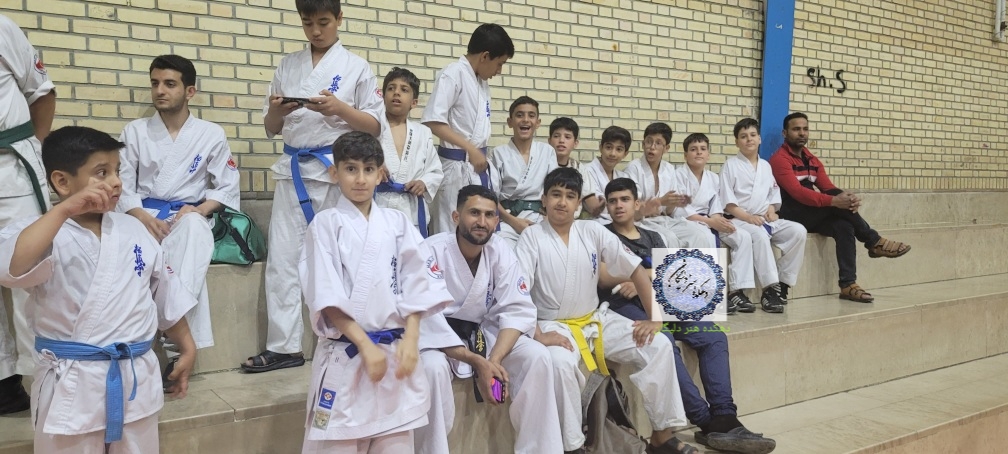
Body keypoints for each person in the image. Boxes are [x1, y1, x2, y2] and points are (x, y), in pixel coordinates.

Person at [0, 126, 197, 452]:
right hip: (71, 383)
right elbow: (11, 268)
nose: (116, 182)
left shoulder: (136, 230)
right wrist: (63, 211)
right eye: (102, 173)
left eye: (118, 171)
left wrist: (186, 346)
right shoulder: (42, 232)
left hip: (134, 377)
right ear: (62, 182)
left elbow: (164, 293)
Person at [246, 0, 385, 373]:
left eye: (324, 22)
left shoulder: (356, 67)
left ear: (339, 18)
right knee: (283, 260)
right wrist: (278, 111)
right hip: (293, 172)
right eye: (308, 23)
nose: (316, 31)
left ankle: (351, 334)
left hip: (336, 172)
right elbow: (271, 127)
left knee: (343, 256)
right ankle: (284, 346)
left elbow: (374, 126)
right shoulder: (288, 65)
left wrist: (340, 109)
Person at [516, 167, 693, 454]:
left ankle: (662, 437)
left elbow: (635, 269)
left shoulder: (592, 231)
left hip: (595, 320)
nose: (562, 202)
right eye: (556, 195)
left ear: (578, 203)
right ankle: (573, 446)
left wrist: (655, 318)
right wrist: (537, 333)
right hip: (553, 326)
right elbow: (520, 290)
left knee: (658, 344)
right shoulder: (531, 237)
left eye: (570, 196)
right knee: (559, 363)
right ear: (544, 200)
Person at [599, 177, 776, 454]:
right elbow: (604, 277)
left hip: (662, 300)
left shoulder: (653, 236)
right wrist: (643, 277)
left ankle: (725, 415)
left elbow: (670, 274)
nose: (618, 205)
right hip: (624, 305)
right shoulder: (603, 236)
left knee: (713, 335)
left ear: (637, 204)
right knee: (663, 341)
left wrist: (643, 277)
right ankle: (705, 421)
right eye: (612, 201)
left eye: (624, 200)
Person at [299, 131, 451, 453]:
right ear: (334, 173)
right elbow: (326, 297)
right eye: (350, 169)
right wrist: (365, 345)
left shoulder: (397, 223)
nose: (360, 179)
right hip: (348, 357)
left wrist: (412, 338)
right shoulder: (325, 225)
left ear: (381, 174)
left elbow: (418, 280)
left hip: (394, 359)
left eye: (368, 169)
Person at [415, 185, 563, 453]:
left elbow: (517, 308)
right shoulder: (430, 251)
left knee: (537, 356)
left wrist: (493, 360)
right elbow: (426, 318)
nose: (482, 222)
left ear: (497, 220)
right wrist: (476, 362)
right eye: (474, 213)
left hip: (483, 334)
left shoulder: (500, 249)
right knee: (432, 368)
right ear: (456, 216)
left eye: (489, 215)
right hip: (439, 340)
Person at [117, 55, 240, 366]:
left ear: (190, 91)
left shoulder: (210, 133)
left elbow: (226, 186)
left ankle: (172, 336)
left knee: (195, 229)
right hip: (141, 215)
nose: (160, 90)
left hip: (187, 215)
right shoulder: (134, 131)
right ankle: (177, 343)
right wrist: (141, 216)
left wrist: (199, 209)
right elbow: (122, 186)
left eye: (170, 84)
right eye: (155, 83)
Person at [769, 112, 910, 303]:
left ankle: (847, 285)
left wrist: (848, 198)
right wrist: (835, 201)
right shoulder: (779, 160)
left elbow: (827, 187)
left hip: (812, 213)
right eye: (796, 129)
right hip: (790, 214)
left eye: (805, 129)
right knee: (835, 199)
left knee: (844, 226)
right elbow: (798, 193)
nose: (802, 133)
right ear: (785, 133)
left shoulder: (812, 160)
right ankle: (873, 240)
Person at [0, 13, 57, 415]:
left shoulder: (2, 28)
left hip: (12, 169)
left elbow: (42, 93)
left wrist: (34, 148)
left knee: (29, 275)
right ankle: (5, 384)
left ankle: (47, 378)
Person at [422, 23, 514, 235]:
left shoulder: (481, 82)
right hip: (455, 168)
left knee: (478, 232)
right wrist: (470, 149)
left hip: (475, 167)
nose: (499, 71)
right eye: (499, 64)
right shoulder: (453, 74)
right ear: (485, 56)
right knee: (451, 231)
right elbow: (433, 121)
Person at [720, 119, 807, 313]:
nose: (749, 139)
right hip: (740, 220)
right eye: (743, 136)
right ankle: (769, 289)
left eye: (752, 135)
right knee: (759, 235)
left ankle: (783, 282)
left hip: (763, 219)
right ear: (737, 142)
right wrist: (748, 218)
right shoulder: (730, 166)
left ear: (759, 139)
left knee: (798, 231)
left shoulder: (766, 166)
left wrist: (772, 209)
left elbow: (773, 194)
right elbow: (728, 203)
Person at [675, 133, 760, 313]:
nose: (699, 153)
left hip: (710, 219)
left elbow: (716, 205)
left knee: (742, 235)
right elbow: (680, 210)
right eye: (693, 149)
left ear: (709, 154)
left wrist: (718, 220)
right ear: (685, 155)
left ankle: (736, 291)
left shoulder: (713, 178)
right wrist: (710, 222)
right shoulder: (678, 175)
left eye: (703, 149)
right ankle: (708, 293)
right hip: (688, 221)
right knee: (704, 236)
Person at [375, 66, 442, 237]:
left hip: (411, 209)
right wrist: (372, 168)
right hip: (378, 205)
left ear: (414, 102)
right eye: (391, 88)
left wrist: (424, 183)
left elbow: (435, 170)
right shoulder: (373, 127)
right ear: (383, 97)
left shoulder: (423, 132)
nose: (396, 93)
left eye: (404, 90)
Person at [624, 122, 714, 248]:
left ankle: (697, 262)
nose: (652, 147)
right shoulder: (633, 168)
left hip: (664, 219)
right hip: (640, 221)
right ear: (643, 144)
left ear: (666, 148)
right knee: (669, 238)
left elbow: (670, 211)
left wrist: (672, 203)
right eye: (649, 142)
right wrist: (660, 201)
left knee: (701, 235)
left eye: (658, 143)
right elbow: (633, 208)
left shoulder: (669, 169)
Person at [489, 96, 558, 246]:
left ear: (538, 122)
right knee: (501, 247)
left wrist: (550, 217)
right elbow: (491, 196)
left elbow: (554, 189)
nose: (525, 120)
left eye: (531, 116)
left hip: (539, 217)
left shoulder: (547, 152)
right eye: (519, 115)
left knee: (547, 249)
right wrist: (514, 222)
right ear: (510, 122)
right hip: (507, 218)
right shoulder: (498, 154)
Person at [547, 117, 604, 219]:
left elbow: (590, 201)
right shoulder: (540, 165)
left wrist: (601, 205)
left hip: (572, 221)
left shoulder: (579, 168)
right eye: (556, 136)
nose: (561, 141)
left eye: (567, 137)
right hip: (545, 218)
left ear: (575, 143)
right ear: (549, 141)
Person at [583, 125, 633, 223]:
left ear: (625, 154)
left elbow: (631, 205)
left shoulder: (623, 177)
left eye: (619, 149)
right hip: (593, 223)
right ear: (601, 148)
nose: (612, 154)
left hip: (619, 223)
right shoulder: (586, 171)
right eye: (609, 147)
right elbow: (594, 207)